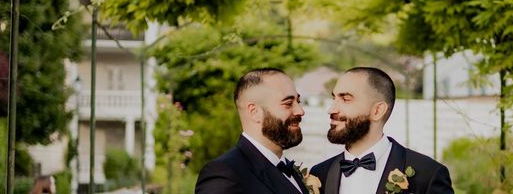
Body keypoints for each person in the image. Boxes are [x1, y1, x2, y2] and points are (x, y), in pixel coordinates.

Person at [311, 67, 454, 194]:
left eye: (346, 99)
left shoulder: (427, 174)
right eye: (334, 98)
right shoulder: (319, 174)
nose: (331, 109)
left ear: (377, 110)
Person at [194, 67, 308, 194]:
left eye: (298, 101)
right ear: (254, 112)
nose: (301, 111)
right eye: (288, 103)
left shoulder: (292, 172)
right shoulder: (225, 174)